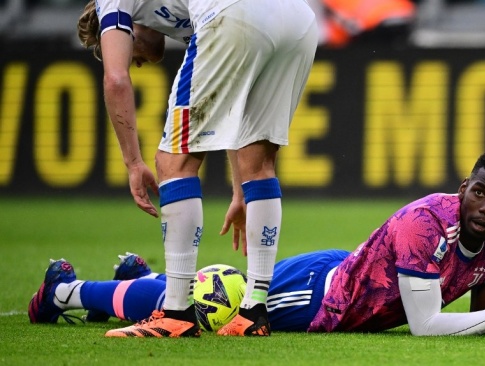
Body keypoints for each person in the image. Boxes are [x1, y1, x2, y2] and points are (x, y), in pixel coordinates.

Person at [28, 150, 485, 337]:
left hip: (354, 275)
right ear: (464, 188)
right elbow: (427, 324)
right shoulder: (426, 223)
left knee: (199, 298)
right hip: (326, 300)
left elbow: (480, 317)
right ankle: (67, 292)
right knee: (207, 309)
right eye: (480, 194)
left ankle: (133, 279)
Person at [75, 0, 319, 337]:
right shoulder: (180, 14)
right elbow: (237, 110)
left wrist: (133, 163)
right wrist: (239, 191)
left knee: (172, 162)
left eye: (133, 54)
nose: (138, 62)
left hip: (236, 13)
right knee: (259, 163)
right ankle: (253, 312)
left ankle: (176, 312)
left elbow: (116, 79)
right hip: (299, 21)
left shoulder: (110, 4)